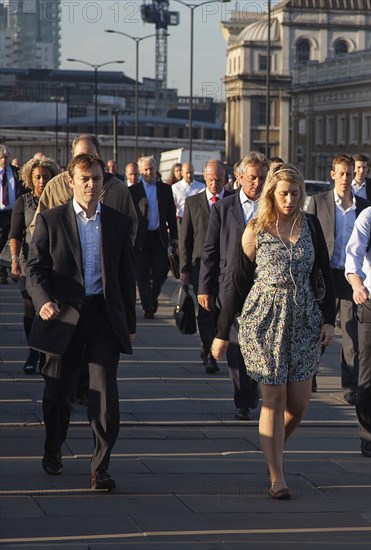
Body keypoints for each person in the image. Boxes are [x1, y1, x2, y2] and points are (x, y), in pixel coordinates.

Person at [212, 164, 336, 499]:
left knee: (299, 403)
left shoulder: (309, 225)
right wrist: (222, 332)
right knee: (273, 399)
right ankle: (276, 476)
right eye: (284, 193)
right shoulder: (256, 229)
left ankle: (272, 446)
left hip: (304, 320)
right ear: (272, 193)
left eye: (296, 193)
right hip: (264, 321)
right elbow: (237, 283)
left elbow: (323, 272)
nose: (291, 199)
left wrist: (328, 320)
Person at [26, 154, 136, 490]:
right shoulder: (52, 220)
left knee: (103, 391)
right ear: (70, 182)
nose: (91, 185)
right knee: (58, 393)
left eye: (97, 179)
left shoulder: (117, 223)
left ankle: (100, 467)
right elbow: (35, 269)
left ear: (104, 182)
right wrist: (43, 301)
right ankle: (53, 447)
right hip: (63, 316)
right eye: (84, 179)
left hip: (102, 316)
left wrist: (128, 321)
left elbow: (124, 275)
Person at [198, 152, 268, 419]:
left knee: (259, 342)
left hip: (264, 287)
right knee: (237, 345)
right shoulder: (223, 208)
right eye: (252, 177)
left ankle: (254, 387)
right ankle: (243, 398)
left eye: (262, 177)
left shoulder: (271, 207)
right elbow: (210, 251)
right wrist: (204, 287)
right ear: (239, 178)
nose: (258, 183)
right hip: (231, 286)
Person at [307, 154, 370, 403]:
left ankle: (350, 386)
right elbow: (309, 237)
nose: (345, 178)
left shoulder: (363, 206)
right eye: (341, 173)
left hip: (352, 278)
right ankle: (309, 372)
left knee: (352, 335)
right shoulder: (318, 202)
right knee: (319, 328)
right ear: (332, 175)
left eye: (349, 173)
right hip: (325, 275)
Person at [29, 135, 138, 243]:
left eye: (90, 157)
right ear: (72, 156)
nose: (86, 162)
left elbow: (130, 226)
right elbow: (38, 227)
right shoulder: (56, 187)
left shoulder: (117, 189)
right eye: (80, 157)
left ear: (99, 156)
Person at [9, 156, 60, 374]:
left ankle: (46, 353)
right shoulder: (23, 201)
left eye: (46, 177)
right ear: (30, 179)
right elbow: (15, 234)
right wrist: (14, 261)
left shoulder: (58, 201)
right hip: (28, 260)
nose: (41, 181)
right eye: (37, 177)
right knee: (30, 307)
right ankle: (33, 352)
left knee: (47, 308)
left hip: (52, 261)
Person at [179, 160, 231, 373]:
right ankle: (208, 352)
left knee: (223, 311)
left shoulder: (233, 201)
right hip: (201, 265)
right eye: (210, 179)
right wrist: (184, 269)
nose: (214, 183)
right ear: (205, 177)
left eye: (218, 179)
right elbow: (185, 239)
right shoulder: (193, 203)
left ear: (225, 179)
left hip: (227, 266)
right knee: (205, 311)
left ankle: (217, 346)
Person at [130, 156, 177, 319]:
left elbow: (171, 214)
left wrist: (174, 238)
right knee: (142, 275)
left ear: (155, 170)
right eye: (146, 170)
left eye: (151, 169)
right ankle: (147, 307)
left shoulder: (165, 189)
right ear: (140, 171)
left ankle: (152, 296)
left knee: (161, 271)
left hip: (159, 236)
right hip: (141, 238)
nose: (149, 172)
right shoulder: (133, 191)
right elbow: (129, 217)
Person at [345, 206, 371, 458]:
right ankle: (368, 435)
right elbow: (353, 254)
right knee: (368, 375)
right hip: (370, 302)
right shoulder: (368, 216)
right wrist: (356, 284)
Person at [0, 144, 23, 284]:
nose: (3, 160)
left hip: (14, 211)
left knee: (14, 239)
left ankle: (12, 270)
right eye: (1, 158)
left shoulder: (16, 172)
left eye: (6, 157)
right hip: (0, 213)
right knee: (1, 242)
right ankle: (2, 271)